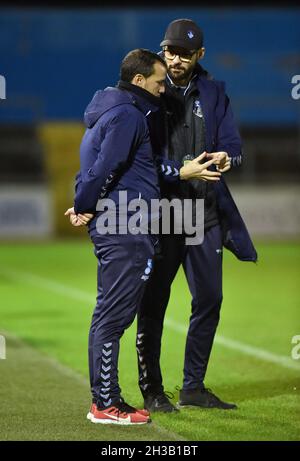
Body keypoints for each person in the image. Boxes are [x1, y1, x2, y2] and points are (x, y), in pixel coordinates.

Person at [65, 48, 220, 425]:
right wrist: (84, 202)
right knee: (113, 318)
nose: (164, 87)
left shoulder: (111, 111)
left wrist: (182, 169)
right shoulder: (129, 115)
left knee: (111, 316)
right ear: (139, 81)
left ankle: (108, 400)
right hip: (125, 226)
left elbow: (133, 165)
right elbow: (105, 167)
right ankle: (105, 404)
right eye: (158, 81)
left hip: (121, 223)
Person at [135, 19, 258, 413]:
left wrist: (226, 156)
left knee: (210, 298)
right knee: (154, 303)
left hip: (204, 215)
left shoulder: (215, 93)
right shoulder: (149, 90)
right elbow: (139, 154)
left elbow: (234, 148)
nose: (174, 59)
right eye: (169, 51)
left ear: (199, 55)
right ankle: (152, 390)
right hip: (162, 215)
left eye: (184, 54)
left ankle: (193, 386)